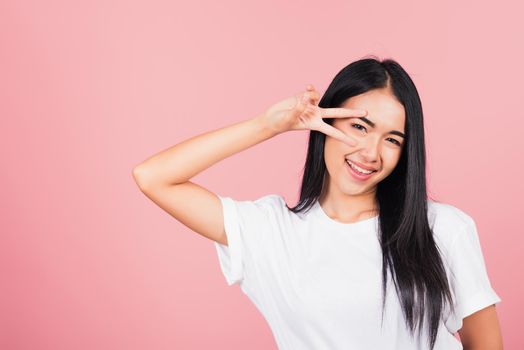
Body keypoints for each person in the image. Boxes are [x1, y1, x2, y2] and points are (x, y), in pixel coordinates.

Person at [132, 57, 503, 350]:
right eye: (359, 126)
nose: (370, 152)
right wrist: (268, 125)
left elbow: (485, 344)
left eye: (392, 140)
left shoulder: (443, 229)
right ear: (324, 123)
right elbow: (154, 177)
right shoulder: (271, 232)